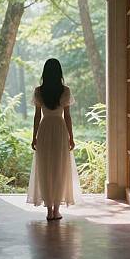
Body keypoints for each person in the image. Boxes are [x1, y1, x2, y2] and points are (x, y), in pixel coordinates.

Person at [27, 58, 83, 220]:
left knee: (45, 169)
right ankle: (56, 210)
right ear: (59, 73)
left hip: (44, 130)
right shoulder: (65, 91)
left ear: (45, 72)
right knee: (59, 169)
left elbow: (37, 117)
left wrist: (34, 137)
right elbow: (68, 117)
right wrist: (71, 137)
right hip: (59, 130)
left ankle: (49, 210)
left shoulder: (39, 91)